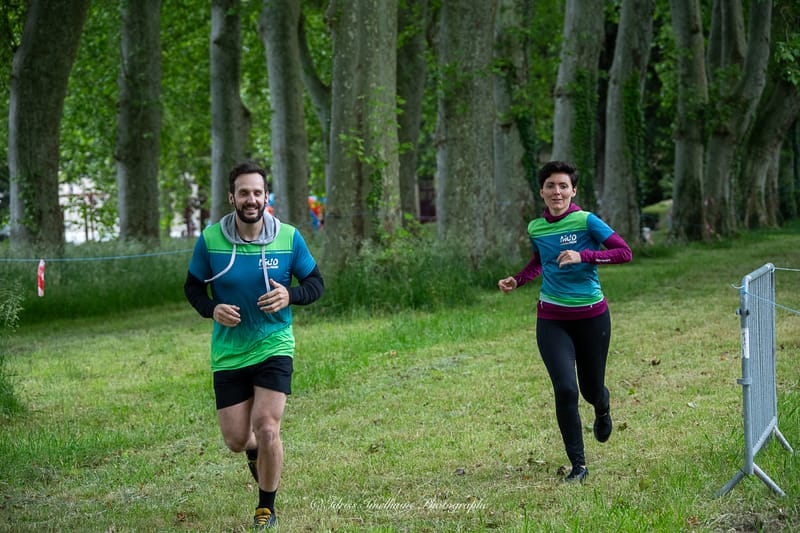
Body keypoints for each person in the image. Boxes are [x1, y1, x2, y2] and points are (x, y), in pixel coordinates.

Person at [184, 160, 324, 529]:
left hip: (274, 343)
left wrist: (289, 296)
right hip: (229, 350)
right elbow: (193, 288)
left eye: (258, 192)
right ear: (232, 196)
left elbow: (316, 283)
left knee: (267, 426)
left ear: (266, 197)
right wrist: (213, 309)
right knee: (235, 439)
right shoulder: (211, 239)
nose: (251, 199)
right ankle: (254, 453)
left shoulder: (289, 237)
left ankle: (266, 508)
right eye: (244, 192)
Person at [498, 160, 632, 483]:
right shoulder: (536, 228)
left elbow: (624, 252)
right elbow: (539, 261)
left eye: (563, 186)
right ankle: (579, 465)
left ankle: (603, 405)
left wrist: (584, 256)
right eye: (550, 186)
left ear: (573, 191)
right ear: (541, 191)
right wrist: (519, 279)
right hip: (551, 318)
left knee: (589, 389)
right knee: (565, 389)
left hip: (592, 317)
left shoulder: (587, 222)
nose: (556, 192)